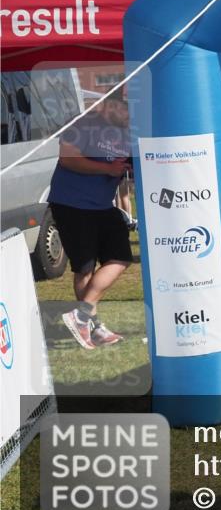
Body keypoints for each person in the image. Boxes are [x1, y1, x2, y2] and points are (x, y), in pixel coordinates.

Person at [49, 89, 132, 349]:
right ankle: (94, 328)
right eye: (125, 108)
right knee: (84, 267)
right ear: (109, 105)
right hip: (71, 204)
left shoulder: (128, 134)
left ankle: (82, 315)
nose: (129, 115)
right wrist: (108, 168)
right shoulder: (83, 123)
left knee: (120, 257)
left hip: (102, 207)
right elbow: (68, 158)